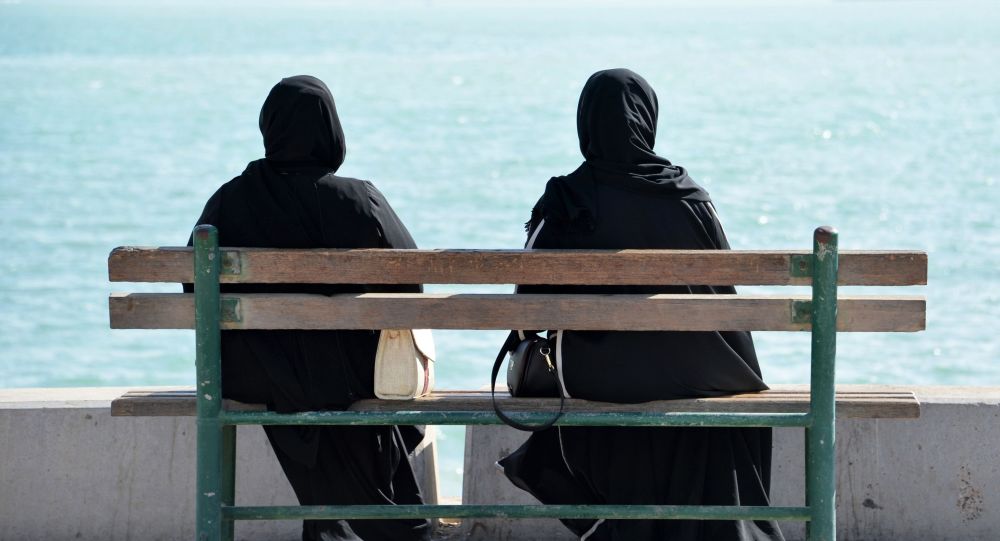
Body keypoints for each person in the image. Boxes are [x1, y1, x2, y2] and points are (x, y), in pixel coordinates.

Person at [497, 69, 785, 541]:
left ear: (586, 123)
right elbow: (724, 298)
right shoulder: (689, 197)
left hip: (594, 378)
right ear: (648, 119)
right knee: (712, 386)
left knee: (584, 403)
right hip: (699, 375)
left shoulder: (568, 199)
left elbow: (525, 311)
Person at [186, 75, 430, 541]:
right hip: (354, 375)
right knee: (342, 376)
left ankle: (328, 525)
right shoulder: (360, 200)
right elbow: (410, 285)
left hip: (257, 376)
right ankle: (378, 523)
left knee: (297, 372)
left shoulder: (230, 200)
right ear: (330, 129)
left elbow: (194, 292)